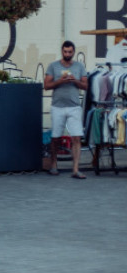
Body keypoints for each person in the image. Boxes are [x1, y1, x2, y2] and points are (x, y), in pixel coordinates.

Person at [44, 40, 88, 179]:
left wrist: (74, 80)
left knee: (76, 137)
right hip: (57, 106)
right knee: (56, 137)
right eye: (65, 51)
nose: (67, 54)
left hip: (74, 106)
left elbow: (85, 86)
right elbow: (46, 85)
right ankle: (53, 165)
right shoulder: (53, 66)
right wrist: (60, 81)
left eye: (70, 52)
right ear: (62, 51)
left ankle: (75, 169)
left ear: (73, 52)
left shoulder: (79, 66)